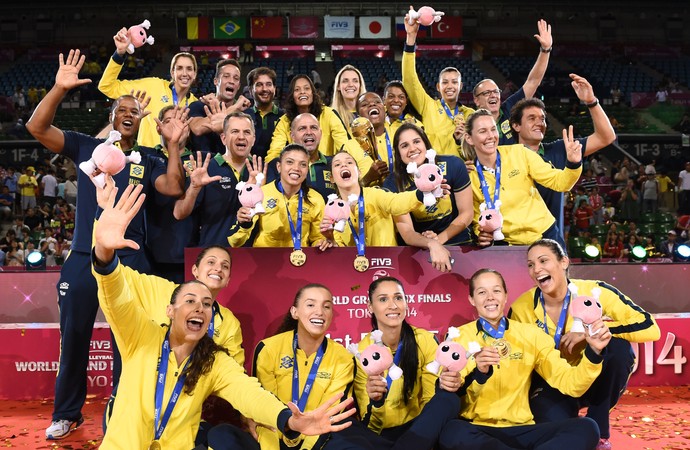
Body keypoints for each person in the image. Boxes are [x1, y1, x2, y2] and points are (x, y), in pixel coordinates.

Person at [90, 182, 356, 449]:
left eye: (206, 304)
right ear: (170, 311)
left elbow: (248, 392)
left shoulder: (213, 361)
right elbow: (115, 293)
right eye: (190, 301)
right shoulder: (141, 335)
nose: (200, 308)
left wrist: (288, 420)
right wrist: (103, 250)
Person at [26, 49, 186, 440]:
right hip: (84, 256)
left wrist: (174, 146)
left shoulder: (148, 158)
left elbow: (174, 187)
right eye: (121, 108)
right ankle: (67, 413)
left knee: (128, 340)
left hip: (132, 260)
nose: (128, 112)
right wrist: (60, 89)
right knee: (75, 337)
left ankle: (121, 409)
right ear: (112, 116)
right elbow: (37, 128)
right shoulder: (86, 147)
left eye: (135, 109)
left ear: (141, 119)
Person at [510, 239, 660, 450]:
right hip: (551, 384)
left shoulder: (595, 292)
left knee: (618, 349)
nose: (536, 269)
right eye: (530, 264)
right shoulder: (521, 307)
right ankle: (568, 419)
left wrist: (592, 332)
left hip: (591, 379)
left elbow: (650, 327)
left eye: (543, 260)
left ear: (564, 262)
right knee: (558, 436)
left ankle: (600, 429)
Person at [439, 268, 609, 450]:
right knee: (452, 432)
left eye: (496, 290)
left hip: (522, 429)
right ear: (472, 299)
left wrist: (592, 352)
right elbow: (454, 390)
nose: (490, 297)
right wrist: (478, 372)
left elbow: (571, 384)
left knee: (587, 428)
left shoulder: (530, 334)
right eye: (482, 292)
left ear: (505, 296)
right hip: (478, 429)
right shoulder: (459, 337)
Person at [351, 276, 461, 449]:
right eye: (383, 299)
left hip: (419, 429)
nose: (393, 305)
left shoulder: (423, 339)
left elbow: (430, 400)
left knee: (449, 398)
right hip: (381, 434)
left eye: (398, 297)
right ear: (370, 307)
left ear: (406, 304)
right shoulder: (362, 353)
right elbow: (370, 423)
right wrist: (376, 402)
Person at [252, 283, 357, 449]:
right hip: (274, 436)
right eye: (310, 304)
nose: (320, 312)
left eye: (327, 306)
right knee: (222, 434)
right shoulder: (269, 349)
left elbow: (330, 413)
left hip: (317, 439)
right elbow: (265, 408)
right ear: (295, 312)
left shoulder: (343, 358)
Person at [509, 75, 616, 234]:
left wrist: (591, 101)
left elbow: (606, 137)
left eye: (542, 119)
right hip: (512, 243)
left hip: (551, 243)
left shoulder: (560, 149)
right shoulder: (504, 155)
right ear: (516, 126)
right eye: (532, 118)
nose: (540, 123)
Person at [463, 109, 582, 250]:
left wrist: (573, 164)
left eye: (493, 129)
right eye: (483, 131)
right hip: (508, 245)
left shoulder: (520, 153)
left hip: (545, 236)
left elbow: (560, 182)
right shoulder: (469, 176)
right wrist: (481, 234)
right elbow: (477, 219)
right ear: (469, 138)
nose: (490, 136)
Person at [384, 122, 473, 271]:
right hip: (419, 249)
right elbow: (407, 233)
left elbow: (467, 213)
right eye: (404, 145)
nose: (412, 148)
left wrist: (439, 239)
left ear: (426, 144)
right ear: (398, 153)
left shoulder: (453, 165)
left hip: (459, 243)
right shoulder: (393, 184)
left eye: (417, 141)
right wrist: (430, 243)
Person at [98, 27, 199, 147]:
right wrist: (119, 53)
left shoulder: (195, 105)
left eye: (189, 69)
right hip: (149, 160)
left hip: (176, 161)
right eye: (179, 68)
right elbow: (107, 86)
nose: (184, 73)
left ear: (195, 74)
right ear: (172, 72)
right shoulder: (152, 86)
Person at [173, 112, 254, 248]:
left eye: (247, 132)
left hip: (255, 257)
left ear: (254, 139)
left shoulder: (262, 171)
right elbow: (179, 213)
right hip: (213, 255)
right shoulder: (207, 169)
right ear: (223, 138)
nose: (241, 136)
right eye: (235, 131)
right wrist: (194, 188)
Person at [229, 144, 330, 249]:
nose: (296, 168)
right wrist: (245, 224)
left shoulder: (315, 199)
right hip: (264, 259)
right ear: (279, 167)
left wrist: (320, 243)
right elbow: (236, 242)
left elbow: (318, 237)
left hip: (300, 260)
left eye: (303, 164)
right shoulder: (261, 193)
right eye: (290, 162)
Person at [267, 75, 371, 176]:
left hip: (327, 172)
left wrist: (366, 172)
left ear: (313, 93)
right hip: (297, 172)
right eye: (297, 90)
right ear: (292, 96)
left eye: (307, 88)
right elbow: (275, 152)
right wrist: (270, 174)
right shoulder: (284, 121)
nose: (302, 92)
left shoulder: (329, 114)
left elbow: (345, 144)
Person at [323, 151, 429, 250]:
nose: (344, 165)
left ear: (359, 172)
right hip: (357, 266)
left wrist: (422, 193)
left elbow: (397, 203)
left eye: (349, 162)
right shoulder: (333, 210)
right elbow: (341, 249)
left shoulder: (375, 194)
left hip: (387, 265)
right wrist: (331, 240)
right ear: (331, 178)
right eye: (337, 164)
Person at [403, 10, 473, 156]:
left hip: (461, 173)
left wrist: (461, 142)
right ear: (438, 87)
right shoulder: (428, 106)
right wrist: (411, 38)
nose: (449, 86)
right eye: (445, 82)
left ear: (460, 87)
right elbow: (410, 79)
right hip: (431, 172)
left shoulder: (470, 115)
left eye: (454, 82)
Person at [472, 19, 553, 145]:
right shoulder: (470, 121)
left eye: (496, 91)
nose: (493, 95)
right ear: (476, 100)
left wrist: (545, 50)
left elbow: (533, 81)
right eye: (487, 93)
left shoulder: (510, 107)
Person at [267, 113, 336, 201]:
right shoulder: (277, 165)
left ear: (320, 133)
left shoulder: (334, 164)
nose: (309, 132)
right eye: (302, 128)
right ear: (292, 136)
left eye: (313, 128)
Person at [187, 59, 251, 154]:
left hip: (231, 167)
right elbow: (197, 129)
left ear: (238, 86)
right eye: (226, 76)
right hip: (202, 165)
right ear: (216, 81)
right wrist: (233, 109)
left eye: (236, 78)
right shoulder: (198, 106)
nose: (231, 81)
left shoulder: (246, 113)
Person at [244, 67, 283, 159]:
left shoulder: (285, 117)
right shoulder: (243, 116)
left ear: (274, 89)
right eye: (259, 85)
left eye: (269, 84)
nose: (265, 89)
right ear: (250, 90)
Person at [331, 64, 367, 135]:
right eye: (345, 81)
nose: (350, 84)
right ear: (338, 86)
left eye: (355, 81)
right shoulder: (331, 116)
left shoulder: (369, 113)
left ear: (360, 86)